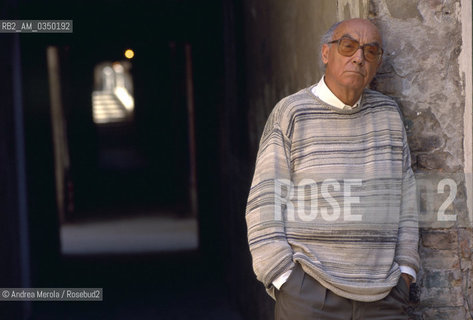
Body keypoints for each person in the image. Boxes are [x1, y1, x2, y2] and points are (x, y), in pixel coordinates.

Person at [245, 18, 419, 319]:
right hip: (310, 295)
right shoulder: (292, 113)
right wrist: (283, 278)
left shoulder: (388, 115)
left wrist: (405, 272)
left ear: (377, 63)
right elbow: (264, 203)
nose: (358, 57)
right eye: (348, 46)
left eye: (370, 51)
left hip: (384, 297)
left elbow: (407, 201)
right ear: (326, 53)